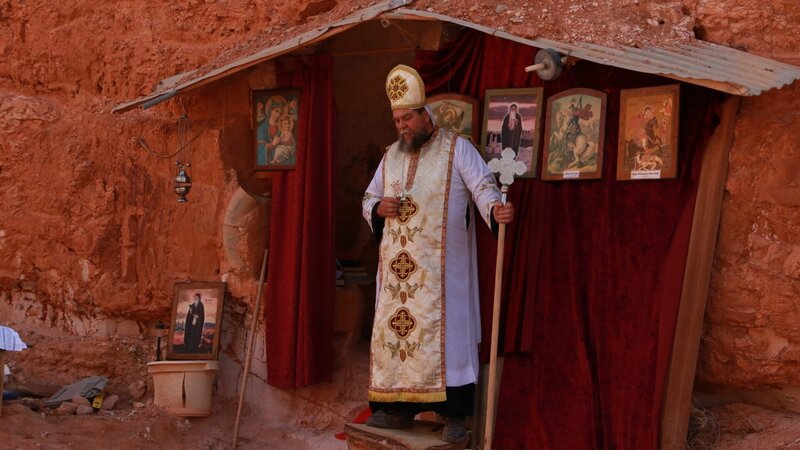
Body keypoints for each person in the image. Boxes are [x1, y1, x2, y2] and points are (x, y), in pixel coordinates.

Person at [361, 64, 514, 443]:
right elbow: (368, 197)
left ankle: (454, 416)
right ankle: (397, 409)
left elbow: (483, 187)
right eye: (397, 120)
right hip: (398, 279)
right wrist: (378, 207)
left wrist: (496, 210)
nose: (402, 126)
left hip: (441, 275)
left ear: (424, 114)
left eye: (408, 117)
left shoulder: (457, 148)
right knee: (398, 338)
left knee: (448, 339)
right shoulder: (391, 156)